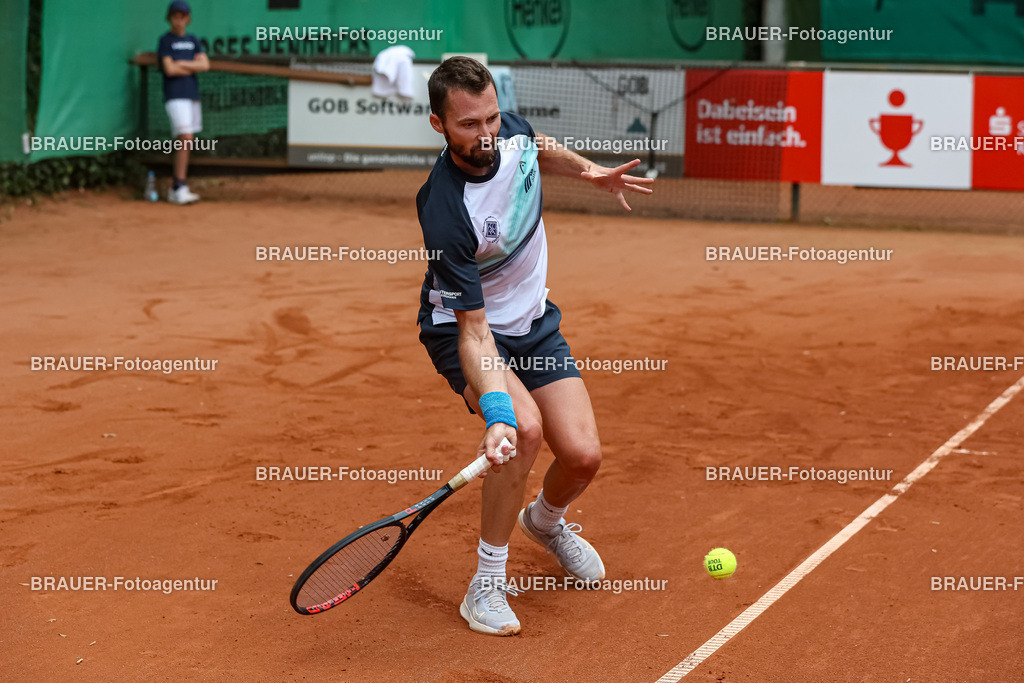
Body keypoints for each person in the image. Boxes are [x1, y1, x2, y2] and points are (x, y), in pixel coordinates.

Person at [416, 57, 654, 636]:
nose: (486, 135)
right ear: (438, 125)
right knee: (522, 430)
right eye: (469, 125)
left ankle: (544, 522)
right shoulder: (446, 211)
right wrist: (495, 413)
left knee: (582, 457)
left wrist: (591, 171)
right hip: (465, 333)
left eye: (491, 118)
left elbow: (536, 145)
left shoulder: (509, 133)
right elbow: (473, 331)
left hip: (533, 322)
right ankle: (485, 585)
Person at [157, 0, 208, 205]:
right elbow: (169, 69)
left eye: (182, 16)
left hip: (192, 95)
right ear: (170, 18)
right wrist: (192, 65)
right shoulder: (165, 41)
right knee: (185, 137)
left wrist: (182, 63)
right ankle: (178, 187)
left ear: (188, 18)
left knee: (186, 140)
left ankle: (177, 187)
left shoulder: (193, 40)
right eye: (175, 16)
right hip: (175, 95)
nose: (179, 20)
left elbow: (204, 65)